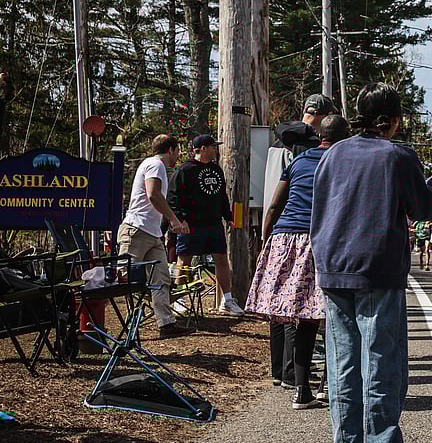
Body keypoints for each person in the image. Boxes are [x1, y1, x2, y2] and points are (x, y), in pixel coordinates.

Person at [311, 82, 432, 443]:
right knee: (381, 357)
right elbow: (423, 207)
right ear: (396, 120)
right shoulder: (396, 155)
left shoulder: (333, 153)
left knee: (343, 359)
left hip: (333, 263)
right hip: (378, 263)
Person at [247, 114, 351, 408]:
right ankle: (328, 387)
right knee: (334, 314)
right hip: (320, 240)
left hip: (285, 237)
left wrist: (266, 241)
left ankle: (301, 390)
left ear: (320, 135)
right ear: (345, 137)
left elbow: (276, 204)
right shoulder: (340, 162)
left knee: (304, 317)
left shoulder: (299, 161)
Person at [116, 134, 194, 339]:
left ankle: (166, 324)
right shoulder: (155, 164)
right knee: (124, 278)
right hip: (136, 230)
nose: (177, 156)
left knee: (161, 277)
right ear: (170, 150)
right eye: (177, 151)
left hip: (152, 233)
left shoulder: (155, 166)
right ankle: (123, 326)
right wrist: (174, 219)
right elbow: (153, 194)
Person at [169, 133, 244, 315]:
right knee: (185, 260)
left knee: (221, 259)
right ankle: (180, 300)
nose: (215, 150)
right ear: (203, 149)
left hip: (213, 223)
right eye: (212, 147)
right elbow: (172, 197)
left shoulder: (216, 170)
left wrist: (228, 217)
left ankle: (227, 300)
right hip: (191, 224)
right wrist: (180, 219)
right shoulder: (184, 170)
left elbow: (222, 196)